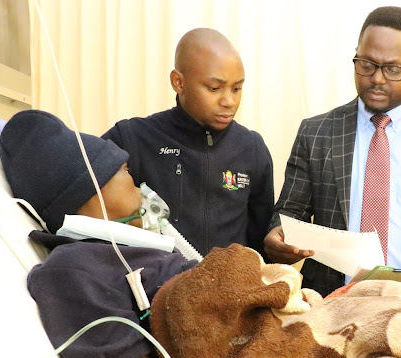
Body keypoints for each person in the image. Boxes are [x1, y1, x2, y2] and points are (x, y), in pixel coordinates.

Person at [0, 109, 230, 358]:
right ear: (94, 191)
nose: (140, 186)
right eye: (126, 171)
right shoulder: (71, 270)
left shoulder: (140, 250)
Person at [264, 6, 401, 300]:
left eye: (393, 69)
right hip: (331, 303)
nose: (377, 78)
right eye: (366, 64)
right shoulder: (317, 134)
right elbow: (288, 213)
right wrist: (277, 238)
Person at [101, 28, 274, 258]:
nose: (229, 101)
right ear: (178, 82)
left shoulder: (252, 148)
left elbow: (260, 242)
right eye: (214, 88)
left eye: (236, 88)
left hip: (231, 289)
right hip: (155, 287)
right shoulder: (131, 139)